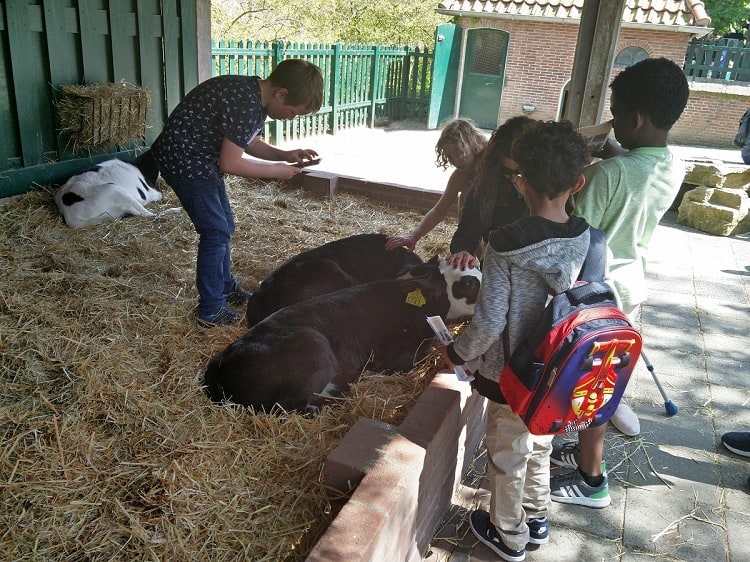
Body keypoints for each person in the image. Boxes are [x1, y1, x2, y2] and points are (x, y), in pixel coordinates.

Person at [442, 120, 591, 561]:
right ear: (578, 182)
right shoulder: (582, 234)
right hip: (557, 369)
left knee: (507, 451)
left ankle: (508, 533)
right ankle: (537, 516)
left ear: (519, 180)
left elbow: (489, 322)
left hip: (513, 374)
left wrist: (458, 353)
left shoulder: (506, 246)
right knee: (540, 442)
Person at [549, 57, 690, 508]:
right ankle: (582, 447)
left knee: (593, 386)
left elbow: (573, 237)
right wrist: (612, 151)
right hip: (630, 288)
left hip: (594, 295)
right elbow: (634, 169)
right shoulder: (674, 164)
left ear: (634, 119)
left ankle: (592, 480)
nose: (611, 123)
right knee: (602, 379)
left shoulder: (607, 176)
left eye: (615, 114)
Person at [149, 59, 324, 327]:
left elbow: (249, 142)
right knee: (215, 230)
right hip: (183, 159)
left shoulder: (254, 98)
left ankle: (226, 288)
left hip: (200, 159)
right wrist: (277, 171)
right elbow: (230, 163)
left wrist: (286, 155)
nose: (291, 117)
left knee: (224, 225)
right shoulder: (244, 100)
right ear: (281, 93)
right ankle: (210, 310)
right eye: (293, 112)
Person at [446, 115, 534, 271]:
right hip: (496, 271)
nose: (515, 178)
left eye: (522, 171)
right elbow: (466, 233)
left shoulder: (552, 191)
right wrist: (463, 251)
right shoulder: (486, 188)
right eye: (507, 171)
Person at [385, 118, 486, 252]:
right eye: (450, 156)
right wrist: (413, 236)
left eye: (458, 152)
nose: (455, 160)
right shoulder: (460, 175)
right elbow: (439, 210)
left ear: (472, 142)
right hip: (475, 230)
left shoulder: (492, 161)